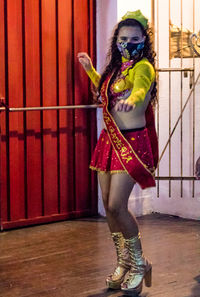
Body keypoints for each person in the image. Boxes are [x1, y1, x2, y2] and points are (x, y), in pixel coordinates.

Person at [78, 10, 158, 295]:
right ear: (117, 41)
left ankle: (140, 263)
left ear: (144, 40)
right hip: (109, 142)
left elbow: (139, 90)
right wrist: (89, 69)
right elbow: (104, 90)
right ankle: (123, 263)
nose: (128, 43)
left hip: (132, 143)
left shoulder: (144, 67)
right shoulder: (115, 69)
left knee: (116, 206)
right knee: (107, 205)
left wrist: (133, 100)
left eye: (134, 39)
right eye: (123, 39)